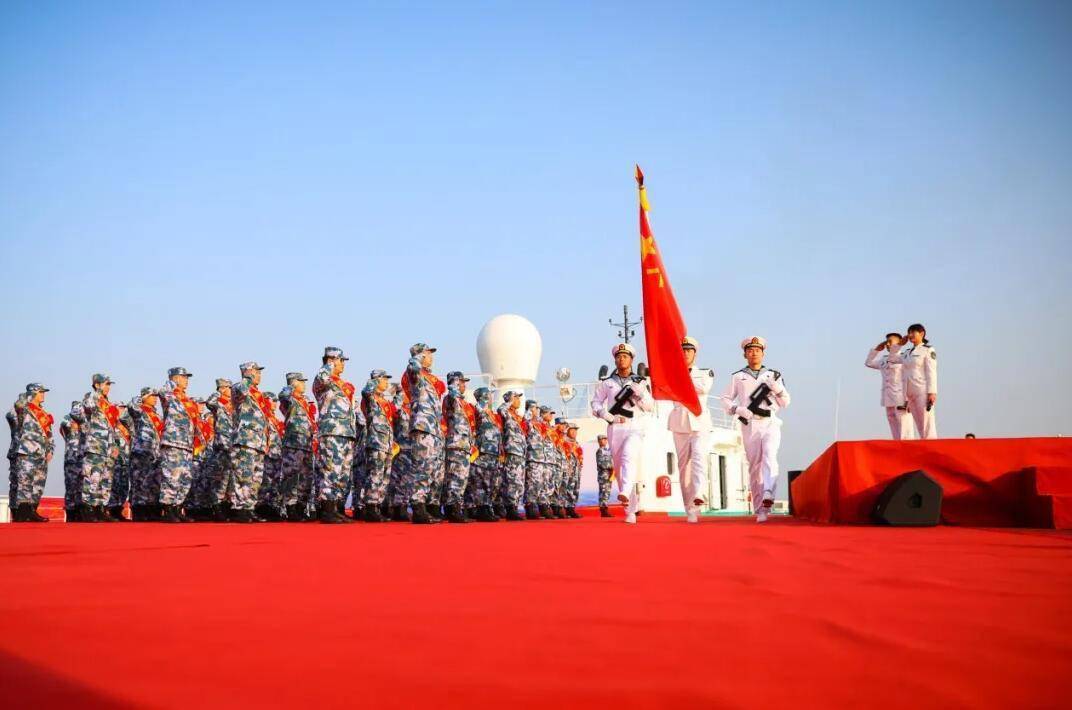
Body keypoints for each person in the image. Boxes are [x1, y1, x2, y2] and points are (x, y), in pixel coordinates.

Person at [720, 337, 791, 523]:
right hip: (750, 425)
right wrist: (736, 409)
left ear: (763, 353)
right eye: (750, 350)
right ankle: (760, 509)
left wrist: (777, 389)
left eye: (757, 350)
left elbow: (785, 402)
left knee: (769, 455)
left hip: (770, 422)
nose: (754, 353)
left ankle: (768, 491)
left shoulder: (773, 375)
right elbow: (725, 399)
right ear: (745, 354)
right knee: (754, 466)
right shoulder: (738, 376)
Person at [591, 342, 654, 524]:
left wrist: (639, 394)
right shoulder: (607, 383)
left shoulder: (640, 382)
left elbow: (650, 406)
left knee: (629, 457)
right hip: (615, 427)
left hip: (635, 426)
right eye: (618, 356)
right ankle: (630, 510)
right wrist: (604, 413)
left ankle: (624, 492)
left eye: (625, 356)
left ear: (632, 360)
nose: (621, 359)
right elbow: (595, 403)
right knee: (620, 469)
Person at [668, 336, 715, 523]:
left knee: (698, 458)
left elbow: (703, 388)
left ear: (695, 353)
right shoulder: (671, 373)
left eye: (689, 350)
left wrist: (682, 378)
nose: (686, 353)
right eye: (683, 350)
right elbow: (668, 390)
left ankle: (699, 494)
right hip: (679, 422)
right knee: (683, 467)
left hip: (699, 421)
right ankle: (690, 508)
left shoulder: (705, 372)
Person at [313, 347, 358, 524]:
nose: (343, 364)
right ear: (331, 360)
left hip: (346, 433)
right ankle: (327, 509)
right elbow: (322, 377)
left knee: (342, 473)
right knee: (331, 470)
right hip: (331, 432)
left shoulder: (341, 384)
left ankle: (337, 507)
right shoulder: (322, 381)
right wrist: (329, 364)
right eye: (340, 360)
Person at [402, 343, 445, 525]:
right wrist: (418, 356)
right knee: (423, 468)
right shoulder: (416, 374)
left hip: (433, 429)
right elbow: (412, 366)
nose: (431, 357)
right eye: (428, 353)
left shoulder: (429, 378)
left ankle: (428, 507)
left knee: (433, 471)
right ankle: (418, 508)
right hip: (422, 427)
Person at [231, 361, 271, 523]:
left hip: (258, 441)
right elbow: (241, 389)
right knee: (243, 475)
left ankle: (249, 508)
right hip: (245, 440)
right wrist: (247, 377)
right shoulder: (239, 388)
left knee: (255, 478)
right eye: (257, 371)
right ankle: (240, 509)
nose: (259, 375)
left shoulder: (257, 394)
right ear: (248, 372)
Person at [157, 367, 199, 523]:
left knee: (185, 479)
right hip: (173, 442)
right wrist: (171, 382)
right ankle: (167, 509)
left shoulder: (186, 399)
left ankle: (177, 508)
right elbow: (162, 391)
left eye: (187, 377)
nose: (186, 380)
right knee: (171, 477)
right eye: (183, 377)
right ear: (175, 378)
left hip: (187, 444)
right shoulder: (170, 395)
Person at [77, 374, 120, 522]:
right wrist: (96, 395)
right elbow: (80, 411)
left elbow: (112, 427)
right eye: (105, 384)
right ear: (97, 385)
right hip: (95, 446)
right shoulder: (91, 398)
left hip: (108, 447)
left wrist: (115, 444)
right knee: (92, 478)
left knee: (105, 479)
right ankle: (88, 508)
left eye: (109, 384)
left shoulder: (107, 404)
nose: (108, 387)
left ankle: (100, 508)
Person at [9, 383, 53, 522]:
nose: (43, 394)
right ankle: (23, 513)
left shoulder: (43, 413)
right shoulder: (24, 409)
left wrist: (50, 449)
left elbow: (49, 434)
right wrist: (26, 396)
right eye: (40, 392)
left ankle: (32, 511)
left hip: (41, 453)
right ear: (33, 393)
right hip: (27, 451)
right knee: (25, 482)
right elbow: (12, 413)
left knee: (38, 484)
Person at [887, 324, 938, 440]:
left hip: (922, 390)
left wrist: (932, 392)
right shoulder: (907, 352)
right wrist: (899, 344)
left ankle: (931, 447)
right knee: (919, 423)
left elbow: (931, 371)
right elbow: (892, 358)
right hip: (909, 392)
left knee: (927, 422)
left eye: (913, 332)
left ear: (922, 333)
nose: (910, 335)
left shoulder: (927, 350)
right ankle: (923, 447)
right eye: (908, 333)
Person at [279, 372, 317, 522]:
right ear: (294, 383)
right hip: (293, 445)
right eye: (301, 381)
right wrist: (290, 386)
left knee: (306, 478)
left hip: (306, 444)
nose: (304, 384)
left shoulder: (304, 401)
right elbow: (283, 395)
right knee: (292, 477)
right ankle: (291, 508)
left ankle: (301, 507)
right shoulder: (289, 400)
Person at [360, 369, 394, 522]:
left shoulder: (385, 401)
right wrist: (373, 380)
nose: (386, 382)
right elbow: (366, 391)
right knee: (375, 476)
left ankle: (378, 507)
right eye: (384, 379)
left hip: (387, 444)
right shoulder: (370, 399)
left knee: (384, 478)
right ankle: (370, 507)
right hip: (376, 443)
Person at [865, 333, 913, 440]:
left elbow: (909, 378)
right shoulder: (884, 359)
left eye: (890, 342)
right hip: (887, 396)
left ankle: (908, 448)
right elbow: (868, 363)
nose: (887, 344)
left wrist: (909, 399)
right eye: (886, 342)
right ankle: (897, 446)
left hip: (901, 397)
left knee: (905, 427)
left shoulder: (905, 357)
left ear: (899, 343)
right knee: (892, 422)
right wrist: (877, 349)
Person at [442, 371, 475, 523]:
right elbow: (451, 400)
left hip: (464, 445)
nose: (464, 385)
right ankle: (452, 508)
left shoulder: (464, 403)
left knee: (461, 479)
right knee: (455, 478)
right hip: (455, 444)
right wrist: (453, 387)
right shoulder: (450, 399)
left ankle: (455, 507)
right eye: (461, 382)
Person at [128, 387, 163, 521]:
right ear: (144, 397)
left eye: (156, 396)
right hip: (141, 452)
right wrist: (140, 398)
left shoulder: (157, 415)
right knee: (140, 482)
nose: (155, 398)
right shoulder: (140, 411)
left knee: (153, 483)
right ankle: (139, 511)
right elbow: (131, 405)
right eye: (151, 396)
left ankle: (152, 510)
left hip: (155, 453)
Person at [203, 378, 235, 522]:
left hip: (233, 445)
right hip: (222, 445)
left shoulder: (233, 405)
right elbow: (209, 402)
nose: (231, 390)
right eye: (229, 388)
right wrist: (220, 391)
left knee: (230, 480)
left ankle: (227, 507)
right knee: (220, 478)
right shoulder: (219, 404)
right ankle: (216, 507)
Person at [470, 388, 503, 522]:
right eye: (488, 396)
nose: (491, 398)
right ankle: (480, 509)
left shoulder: (491, 414)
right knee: (480, 482)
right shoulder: (476, 410)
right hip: (482, 450)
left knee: (491, 483)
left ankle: (487, 507)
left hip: (493, 451)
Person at [255, 391, 285, 521]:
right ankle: (261, 507)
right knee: (265, 482)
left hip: (277, 454)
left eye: (275, 401)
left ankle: (272, 508)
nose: (274, 403)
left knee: (275, 483)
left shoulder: (275, 419)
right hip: (267, 454)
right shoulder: (263, 417)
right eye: (271, 400)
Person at [107, 405, 134, 521]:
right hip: (116, 462)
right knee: (114, 485)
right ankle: (111, 510)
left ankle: (119, 509)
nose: (122, 410)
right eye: (120, 408)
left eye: (124, 408)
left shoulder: (128, 428)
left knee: (124, 487)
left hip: (127, 462)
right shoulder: (111, 426)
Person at [59, 401, 84, 521]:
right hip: (71, 457)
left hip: (82, 458)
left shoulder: (85, 421)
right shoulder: (67, 418)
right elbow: (65, 426)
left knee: (81, 486)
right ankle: (70, 512)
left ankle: (79, 511)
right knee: (71, 486)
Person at [564, 423, 583, 518]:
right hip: (568, 469)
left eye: (576, 430)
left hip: (576, 469)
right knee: (568, 488)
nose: (574, 432)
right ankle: (568, 508)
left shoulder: (576, 443)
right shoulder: (563, 441)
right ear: (567, 431)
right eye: (572, 430)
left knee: (575, 488)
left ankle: (572, 507)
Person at [595, 434, 613, 518]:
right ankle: (603, 509)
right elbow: (601, 463)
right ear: (599, 441)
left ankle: (605, 508)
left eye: (605, 439)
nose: (603, 441)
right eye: (601, 439)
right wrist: (611, 466)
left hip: (609, 475)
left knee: (607, 492)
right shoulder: (600, 451)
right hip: (603, 475)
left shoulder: (609, 450)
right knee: (603, 492)